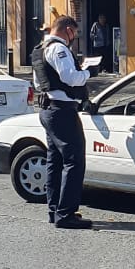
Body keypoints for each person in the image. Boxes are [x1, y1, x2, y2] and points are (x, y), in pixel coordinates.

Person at [31, 15, 97, 230]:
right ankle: (66, 214)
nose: (74, 37)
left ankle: (55, 211)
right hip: (62, 111)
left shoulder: (40, 49)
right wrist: (88, 72)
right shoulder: (59, 48)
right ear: (68, 29)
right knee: (74, 161)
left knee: (55, 161)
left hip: (49, 110)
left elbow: (40, 82)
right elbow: (69, 77)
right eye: (74, 33)